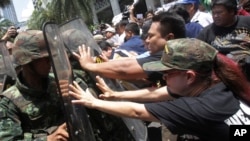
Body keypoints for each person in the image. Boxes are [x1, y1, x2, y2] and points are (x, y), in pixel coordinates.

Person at [69, 38, 250, 141]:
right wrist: (116, 94)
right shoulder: (219, 82)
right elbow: (160, 93)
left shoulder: (196, 108)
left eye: (168, 73)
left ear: (189, 76)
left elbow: (137, 112)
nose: (163, 78)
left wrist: (93, 102)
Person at [73, 12, 186, 88]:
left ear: (169, 38)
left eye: (151, 36)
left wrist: (89, 65)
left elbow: (126, 68)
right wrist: (109, 68)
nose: (146, 41)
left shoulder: (164, 58)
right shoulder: (168, 55)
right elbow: (143, 80)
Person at [0, 30, 69, 141]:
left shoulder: (57, 82)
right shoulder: (9, 103)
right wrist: (47, 139)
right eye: (45, 59)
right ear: (26, 61)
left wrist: (71, 97)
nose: (50, 62)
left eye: (51, 57)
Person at [196, 0, 250, 81]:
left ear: (231, 11)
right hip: (224, 80)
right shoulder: (206, 33)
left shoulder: (247, 22)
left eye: (219, 12)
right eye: (213, 13)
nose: (215, 16)